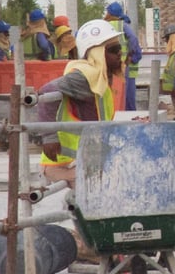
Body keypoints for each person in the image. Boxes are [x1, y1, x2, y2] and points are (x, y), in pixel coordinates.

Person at [37, 19, 123, 187]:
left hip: (81, 159)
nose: (120, 53)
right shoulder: (84, 77)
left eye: (120, 48)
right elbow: (46, 91)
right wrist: (49, 137)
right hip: (63, 163)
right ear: (97, 53)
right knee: (106, 185)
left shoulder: (99, 77)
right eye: (113, 50)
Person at [104, 2, 142, 110]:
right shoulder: (122, 26)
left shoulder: (105, 25)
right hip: (125, 66)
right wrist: (130, 55)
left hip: (111, 66)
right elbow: (134, 41)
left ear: (110, 13)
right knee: (127, 96)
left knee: (113, 93)